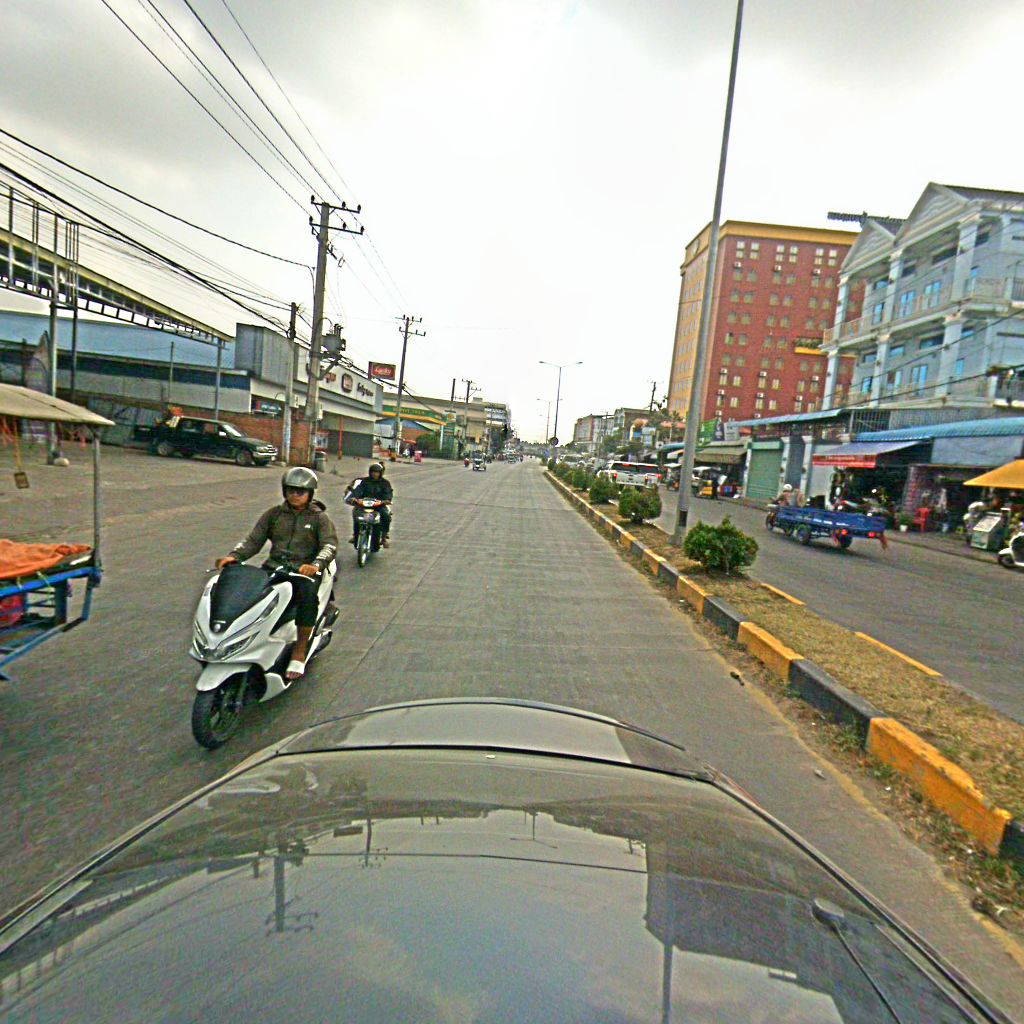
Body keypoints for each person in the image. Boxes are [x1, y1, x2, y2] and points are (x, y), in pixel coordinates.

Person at [215, 467, 338, 681]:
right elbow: (254, 540)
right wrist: (234, 556)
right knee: (249, 595)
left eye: (300, 491)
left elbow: (329, 545)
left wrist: (315, 565)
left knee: (307, 598)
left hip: (303, 571)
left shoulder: (319, 518)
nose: (295, 495)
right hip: (275, 567)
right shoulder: (274, 515)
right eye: (290, 490)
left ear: (310, 493)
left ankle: (299, 649)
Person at [346, 461, 394, 547]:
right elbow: (358, 490)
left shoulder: (385, 483)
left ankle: (383, 538)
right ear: (370, 472)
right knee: (356, 513)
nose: (375, 474)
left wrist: (387, 500)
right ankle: (355, 534)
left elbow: (388, 492)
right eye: (373, 472)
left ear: (380, 473)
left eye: (377, 472)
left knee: (386, 516)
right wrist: (354, 498)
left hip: (379, 505)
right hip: (364, 504)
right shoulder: (364, 481)